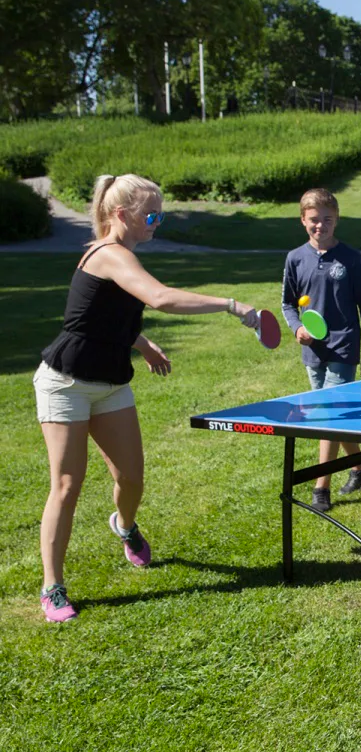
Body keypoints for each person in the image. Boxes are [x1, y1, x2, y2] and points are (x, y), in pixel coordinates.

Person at [35, 174, 260, 623]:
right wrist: (231, 305)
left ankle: (124, 526)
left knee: (132, 478)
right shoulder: (109, 254)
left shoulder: (122, 256)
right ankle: (52, 587)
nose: (158, 222)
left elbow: (100, 314)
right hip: (66, 383)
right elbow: (159, 298)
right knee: (67, 484)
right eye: (151, 216)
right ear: (121, 215)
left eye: (161, 215)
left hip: (111, 382)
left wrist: (140, 343)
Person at [281, 188, 361, 513]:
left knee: (327, 415)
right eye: (313, 219)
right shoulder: (295, 258)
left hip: (344, 345)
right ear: (302, 220)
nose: (320, 225)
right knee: (334, 417)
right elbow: (288, 303)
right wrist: (297, 328)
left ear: (337, 220)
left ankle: (320, 487)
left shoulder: (350, 258)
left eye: (327, 219)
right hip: (313, 351)